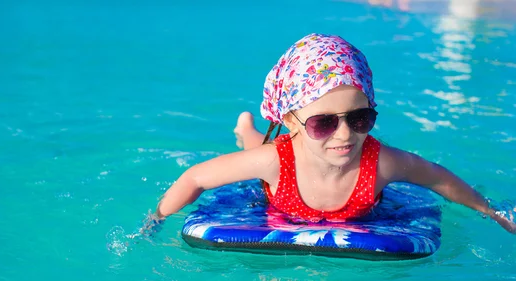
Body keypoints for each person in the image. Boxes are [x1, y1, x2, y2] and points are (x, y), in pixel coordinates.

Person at [148, 33, 515, 234]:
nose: (344, 134)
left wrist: (490, 212)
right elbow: (196, 177)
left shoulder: (381, 162)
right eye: (323, 122)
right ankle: (246, 127)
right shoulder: (275, 160)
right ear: (292, 119)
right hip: (280, 168)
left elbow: (436, 177)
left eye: (360, 119)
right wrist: (156, 219)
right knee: (258, 150)